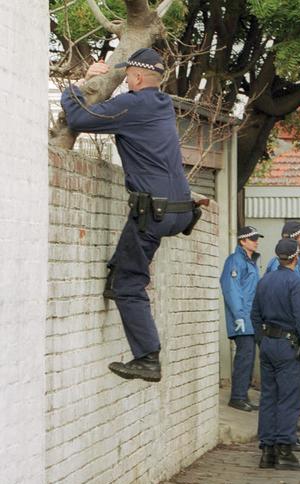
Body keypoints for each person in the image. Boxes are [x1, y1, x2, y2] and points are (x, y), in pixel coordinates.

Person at [61, 48, 200, 382]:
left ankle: (147, 357)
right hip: (178, 210)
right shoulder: (163, 105)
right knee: (129, 255)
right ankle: (116, 280)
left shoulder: (133, 105)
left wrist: (79, 85)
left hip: (154, 211)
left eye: (126, 76)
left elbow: (78, 118)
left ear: (136, 77)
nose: (124, 80)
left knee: (129, 286)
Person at [251, 238, 300, 471]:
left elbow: (255, 315)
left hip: (269, 343)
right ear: (296, 257)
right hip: (287, 346)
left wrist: (263, 340)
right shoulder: (296, 283)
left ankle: (267, 450)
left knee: (268, 397)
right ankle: (284, 450)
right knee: (289, 399)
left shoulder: (265, 281)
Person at [265, 220, 300, 451]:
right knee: (286, 395)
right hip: (287, 338)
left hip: (296, 337)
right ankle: (283, 443)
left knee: (288, 394)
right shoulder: (278, 267)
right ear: (295, 239)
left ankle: (285, 437)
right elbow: (277, 303)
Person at [220, 226, 264, 412]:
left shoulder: (250, 261)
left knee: (249, 357)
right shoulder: (235, 261)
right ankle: (237, 397)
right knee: (244, 358)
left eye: (256, 238)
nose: (256, 241)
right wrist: (239, 316)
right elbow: (232, 290)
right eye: (252, 238)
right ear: (242, 241)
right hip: (242, 318)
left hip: (250, 318)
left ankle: (243, 395)